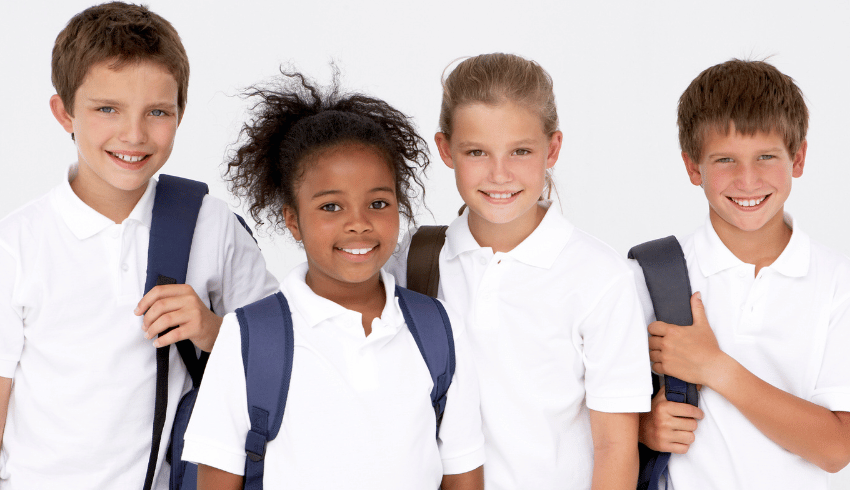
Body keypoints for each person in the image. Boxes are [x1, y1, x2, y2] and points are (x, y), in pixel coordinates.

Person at [0, 3, 278, 488]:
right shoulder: (17, 243)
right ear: (63, 112)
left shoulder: (211, 224)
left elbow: (285, 358)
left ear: (180, 113)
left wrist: (213, 331)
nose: (134, 134)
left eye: (157, 112)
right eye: (107, 108)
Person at [181, 68, 486, 490]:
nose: (358, 224)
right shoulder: (248, 337)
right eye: (330, 207)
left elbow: (463, 476)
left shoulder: (438, 329)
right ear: (293, 220)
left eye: (378, 202)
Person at [387, 52, 652, 489]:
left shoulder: (602, 278)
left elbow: (615, 450)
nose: (499, 174)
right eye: (477, 152)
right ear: (446, 150)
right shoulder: (414, 260)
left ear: (552, 149)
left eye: (520, 151)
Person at [634, 59, 850, 489]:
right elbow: (600, 418)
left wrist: (715, 367)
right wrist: (645, 431)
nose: (747, 180)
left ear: (799, 158)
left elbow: (836, 449)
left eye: (766, 157)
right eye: (726, 160)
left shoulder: (837, 282)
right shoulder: (648, 275)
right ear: (693, 168)